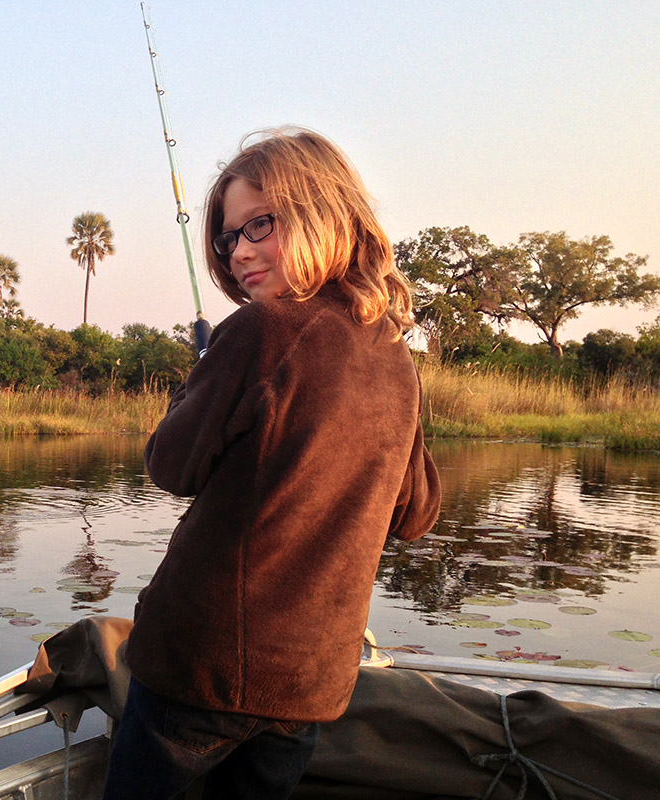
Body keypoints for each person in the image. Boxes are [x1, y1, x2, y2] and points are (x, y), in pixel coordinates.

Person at [101, 127, 442, 799]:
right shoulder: (395, 357)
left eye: (261, 224)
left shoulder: (260, 330)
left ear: (324, 212)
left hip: (199, 669)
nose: (241, 252)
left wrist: (203, 373)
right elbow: (416, 514)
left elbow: (171, 465)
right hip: (308, 686)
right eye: (229, 238)